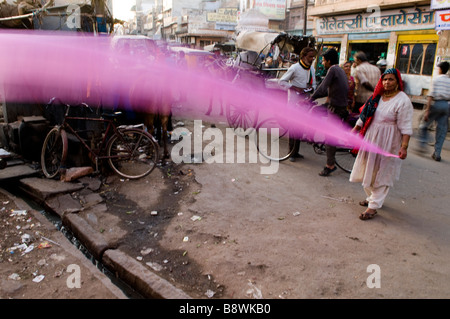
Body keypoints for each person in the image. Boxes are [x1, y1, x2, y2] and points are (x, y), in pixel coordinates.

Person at [350, 68, 413, 220]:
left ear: (397, 82)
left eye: (391, 79)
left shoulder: (402, 100)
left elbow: (406, 127)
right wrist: (355, 129)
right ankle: (373, 198)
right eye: (384, 79)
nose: (387, 82)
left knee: (382, 172)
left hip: (389, 141)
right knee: (367, 168)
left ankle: (373, 207)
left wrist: (404, 147)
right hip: (371, 137)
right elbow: (364, 116)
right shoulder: (376, 97)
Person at [310, 48, 349, 176]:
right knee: (315, 111)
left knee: (329, 137)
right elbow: (330, 89)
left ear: (329, 61)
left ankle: (330, 165)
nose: (322, 63)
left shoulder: (332, 69)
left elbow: (322, 88)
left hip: (336, 108)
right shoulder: (340, 70)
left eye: (323, 60)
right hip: (337, 105)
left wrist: (311, 98)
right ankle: (313, 136)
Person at [279, 46, 317, 161]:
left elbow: (314, 85)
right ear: (303, 56)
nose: (312, 59)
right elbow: (282, 82)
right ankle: (291, 153)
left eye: (313, 57)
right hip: (294, 103)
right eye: (310, 57)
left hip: (305, 103)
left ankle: (296, 152)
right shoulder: (294, 68)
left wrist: (311, 89)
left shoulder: (312, 70)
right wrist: (294, 87)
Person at [418, 61, 450, 162]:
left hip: (436, 104)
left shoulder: (436, 79)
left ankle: (423, 143)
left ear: (440, 69)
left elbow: (430, 95)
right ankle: (437, 153)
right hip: (446, 106)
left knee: (423, 125)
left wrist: (427, 110)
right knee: (441, 131)